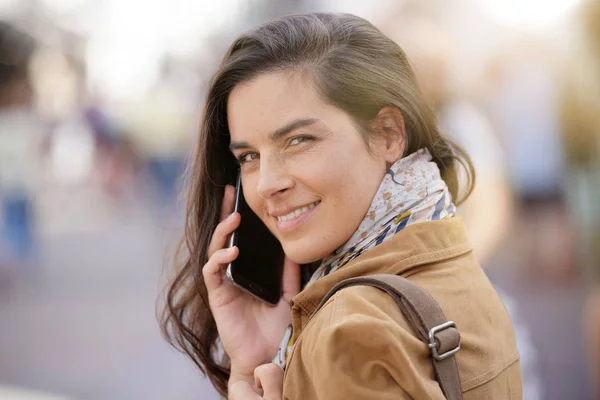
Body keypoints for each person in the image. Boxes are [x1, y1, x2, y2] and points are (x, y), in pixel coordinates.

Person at [161, 13, 522, 399]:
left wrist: (247, 382)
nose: (266, 184)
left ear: (388, 135)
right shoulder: (452, 261)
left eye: (298, 141)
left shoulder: (345, 334)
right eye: (249, 157)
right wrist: (264, 358)